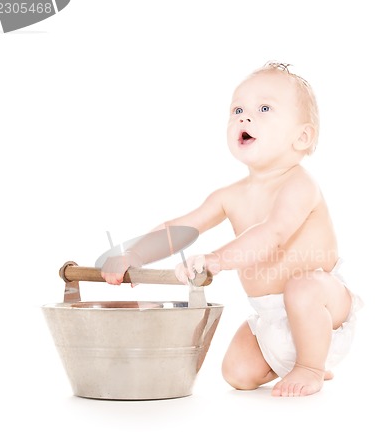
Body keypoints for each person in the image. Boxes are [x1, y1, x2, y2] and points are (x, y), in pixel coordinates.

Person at [101, 61, 361, 397]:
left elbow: (273, 233)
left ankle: (311, 366)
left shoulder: (299, 185)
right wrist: (132, 254)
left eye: (264, 108)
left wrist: (218, 260)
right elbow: (181, 227)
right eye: (237, 109)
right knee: (237, 373)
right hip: (270, 317)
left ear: (302, 136)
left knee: (302, 288)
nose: (244, 117)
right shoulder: (230, 195)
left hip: (323, 306)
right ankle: (290, 362)